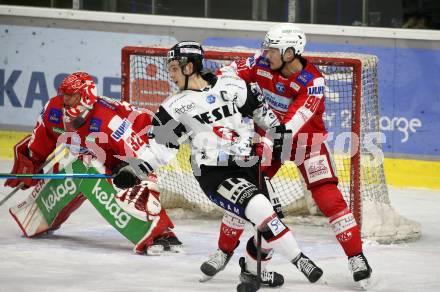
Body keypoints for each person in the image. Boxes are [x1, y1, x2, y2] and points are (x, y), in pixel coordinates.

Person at [113, 41, 324, 289]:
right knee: (261, 212)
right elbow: (158, 151)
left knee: (272, 223)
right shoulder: (173, 108)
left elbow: (267, 119)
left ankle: (252, 270)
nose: (170, 75)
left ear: (189, 66)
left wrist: (276, 138)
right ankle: (301, 261)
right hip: (214, 173)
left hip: (249, 165)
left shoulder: (234, 86)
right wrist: (133, 170)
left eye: (173, 68)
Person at [201, 23, 372, 287]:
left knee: (330, 199)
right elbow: (230, 71)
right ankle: (223, 252)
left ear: (290, 53)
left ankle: (356, 257)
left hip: (305, 142)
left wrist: (273, 138)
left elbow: (295, 121)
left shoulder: (313, 81)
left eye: (272, 50)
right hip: (269, 138)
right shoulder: (261, 62)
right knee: (247, 194)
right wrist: (222, 83)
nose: (266, 54)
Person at [4, 71, 182, 255]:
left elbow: (143, 156)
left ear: (85, 96)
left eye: (71, 95)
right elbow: (43, 138)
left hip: (136, 148)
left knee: (120, 183)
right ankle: (35, 214)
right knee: (80, 165)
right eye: (64, 94)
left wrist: (131, 170)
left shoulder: (109, 120)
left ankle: (157, 232)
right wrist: (31, 163)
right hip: (91, 154)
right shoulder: (53, 109)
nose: (65, 100)